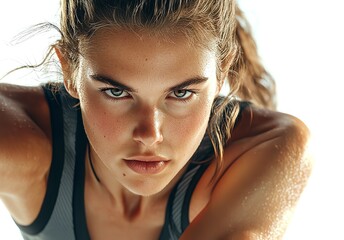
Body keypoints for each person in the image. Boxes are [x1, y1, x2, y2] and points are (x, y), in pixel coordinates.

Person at [0, 0, 313, 239]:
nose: (150, 134)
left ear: (221, 74)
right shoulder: (24, 143)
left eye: (180, 94)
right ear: (69, 70)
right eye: (116, 92)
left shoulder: (264, 149)